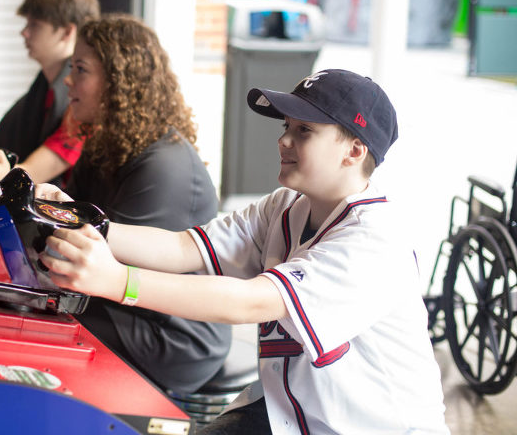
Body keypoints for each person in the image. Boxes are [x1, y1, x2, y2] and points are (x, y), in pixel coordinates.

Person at [39, 69, 449, 434]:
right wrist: (75, 217)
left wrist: (118, 282)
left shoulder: (376, 239)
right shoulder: (285, 205)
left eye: (304, 130)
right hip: (287, 412)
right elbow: (184, 247)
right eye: (287, 126)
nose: (283, 139)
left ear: (354, 151)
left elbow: (251, 303)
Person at [56, 14, 231, 395]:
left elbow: (103, 262)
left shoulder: (164, 166)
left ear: (117, 81)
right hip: (125, 306)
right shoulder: (105, 145)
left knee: (44, 328)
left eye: (80, 69)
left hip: (173, 336)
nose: (68, 80)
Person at [0, 0, 100, 187]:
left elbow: (37, 170)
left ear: (67, 32)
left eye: (35, 24)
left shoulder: (83, 100)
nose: (24, 32)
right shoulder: (42, 90)